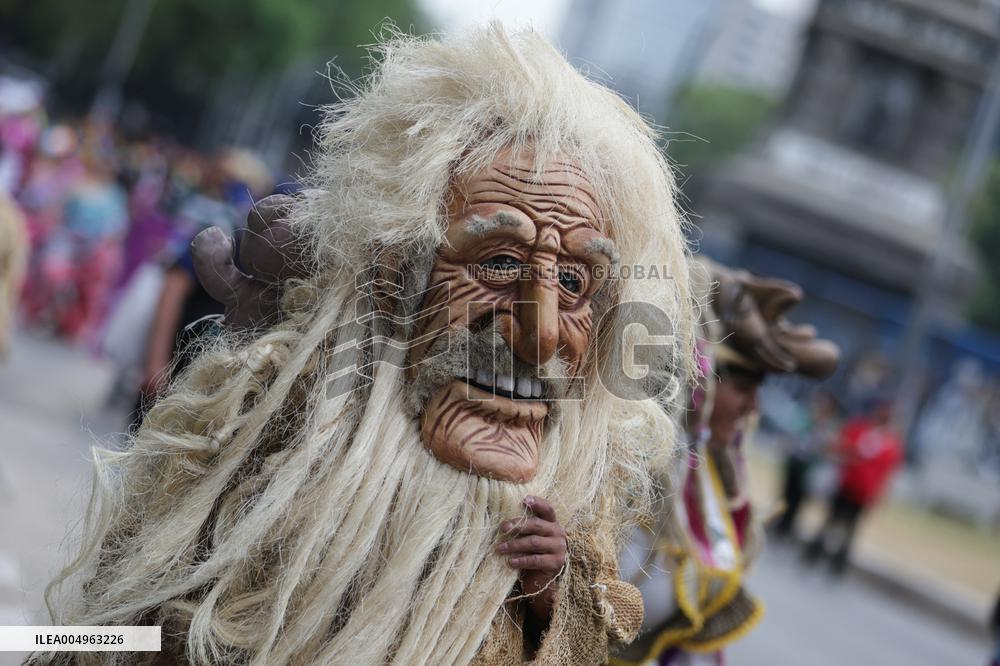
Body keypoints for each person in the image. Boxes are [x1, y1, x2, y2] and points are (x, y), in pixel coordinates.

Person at [35, 25, 697, 665]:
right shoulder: (269, 425)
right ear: (391, 274)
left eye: (576, 281)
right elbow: (120, 626)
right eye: (497, 262)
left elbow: (600, 633)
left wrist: (554, 599)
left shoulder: (574, 520)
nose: (543, 329)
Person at [614, 260, 840, 665]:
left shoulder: (708, 475)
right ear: (697, 376)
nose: (755, 405)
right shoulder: (621, 474)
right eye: (744, 385)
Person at [803, 397, 903, 573]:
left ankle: (838, 564)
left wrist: (877, 496)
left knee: (850, 529)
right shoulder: (858, 430)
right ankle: (814, 553)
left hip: (863, 493)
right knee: (830, 521)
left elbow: (886, 473)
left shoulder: (890, 443)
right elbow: (840, 448)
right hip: (845, 486)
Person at [773, 389, 841, 538]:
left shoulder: (830, 427)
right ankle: (778, 519)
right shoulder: (806, 417)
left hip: (809, 467)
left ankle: (788, 524)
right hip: (795, 461)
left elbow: (829, 448)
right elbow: (792, 433)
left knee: (798, 498)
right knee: (785, 493)